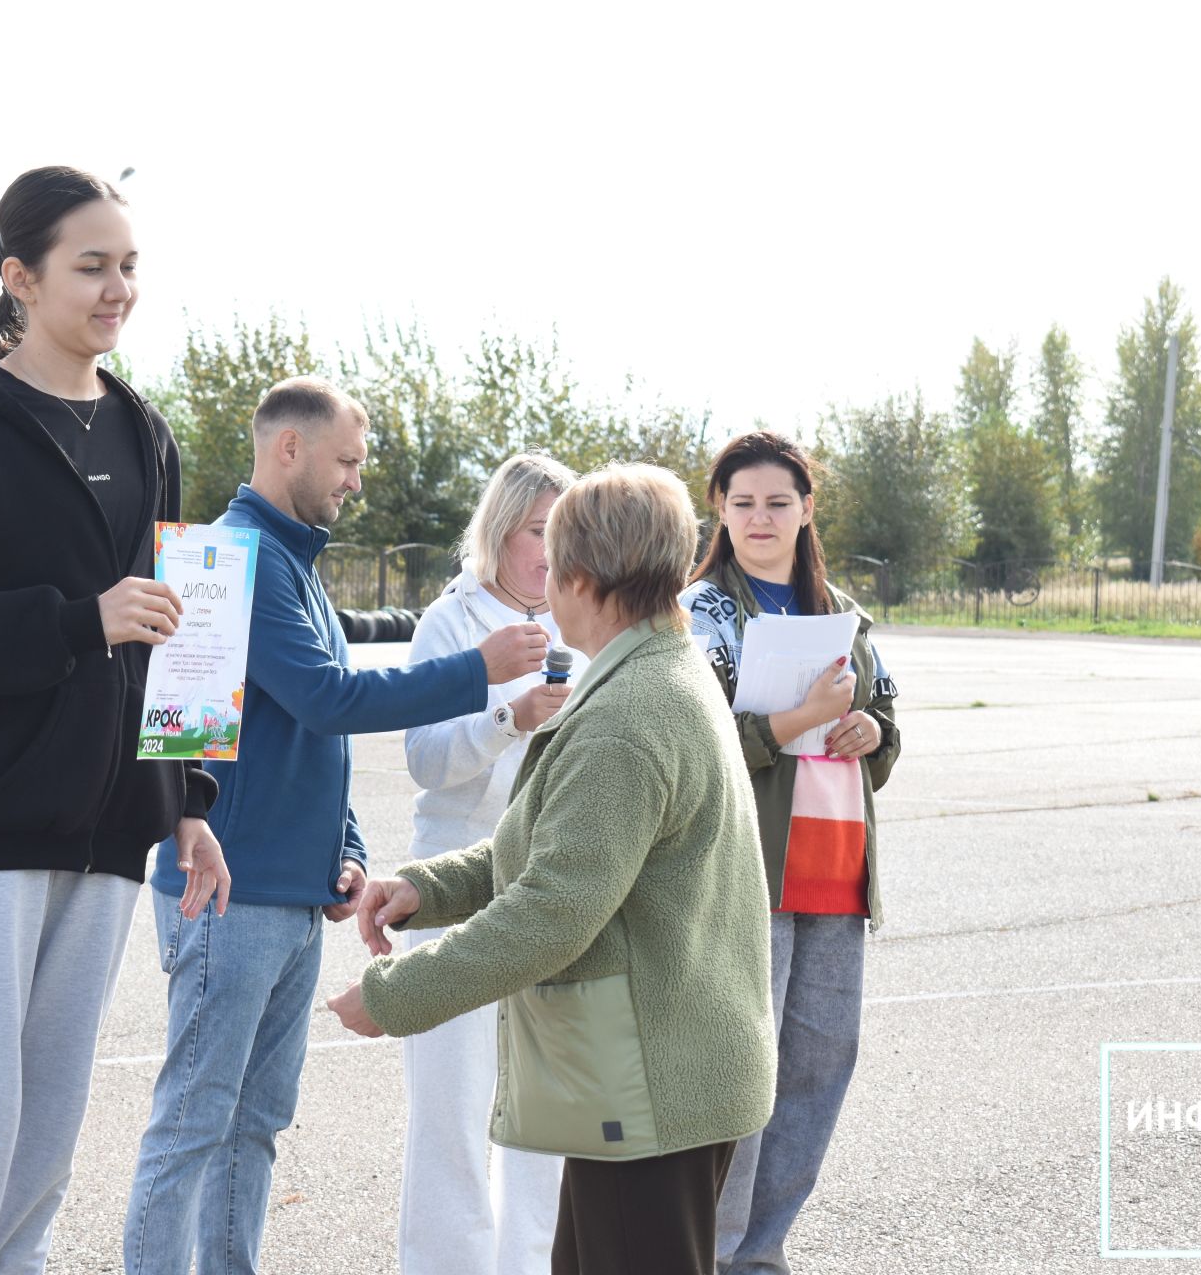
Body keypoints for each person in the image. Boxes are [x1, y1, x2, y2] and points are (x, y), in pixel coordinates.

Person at [0, 165, 231, 1275]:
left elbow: (171, 632)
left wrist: (189, 800)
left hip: (111, 827)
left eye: (129, 266)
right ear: (19, 277)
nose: (118, 288)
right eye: (92, 265)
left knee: (45, 1144)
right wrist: (78, 619)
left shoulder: (146, 431)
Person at [122, 377, 550, 1275]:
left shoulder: (291, 563)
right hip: (225, 894)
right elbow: (326, 699)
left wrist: (345, 848)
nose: (356, 481)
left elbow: (299, 741)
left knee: (256, 1123)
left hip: (289, 894)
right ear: (290, 449)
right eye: (347, 461)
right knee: (197, 1121)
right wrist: (476, 672)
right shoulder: (229, 557)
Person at [329, 463, 778, 1275]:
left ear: (578, 578)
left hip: (652, 1089)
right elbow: (550, 849)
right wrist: (429, 889)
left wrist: (396, 994)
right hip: (655, 1076)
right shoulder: (658, 671)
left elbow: (552, 911)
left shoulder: (628, 714)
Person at [678, 430, 901, 1275]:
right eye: (743, 504)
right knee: (744, 1080)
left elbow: (889, 734)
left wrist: (869, 729)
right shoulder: (702, 612)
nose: (760, 518)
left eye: (778, 502)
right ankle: (714, 1251)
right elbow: (696, 746)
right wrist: (801, 720)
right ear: (720, 512)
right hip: (749, 876)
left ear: (807, 511)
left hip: (836, 874)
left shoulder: (841, 612)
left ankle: (762, 1255)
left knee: (816, 1075)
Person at [394, 451, 577, 1275]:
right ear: (500, 531)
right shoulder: (450, 622)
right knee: (454, 1117)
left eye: (565, 532)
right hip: (454, 891)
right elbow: (428, 763)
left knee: (546, 1120)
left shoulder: (582, 623)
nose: (552, 548)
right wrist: (509, 716)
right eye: (539, 530)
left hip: (548, 894)